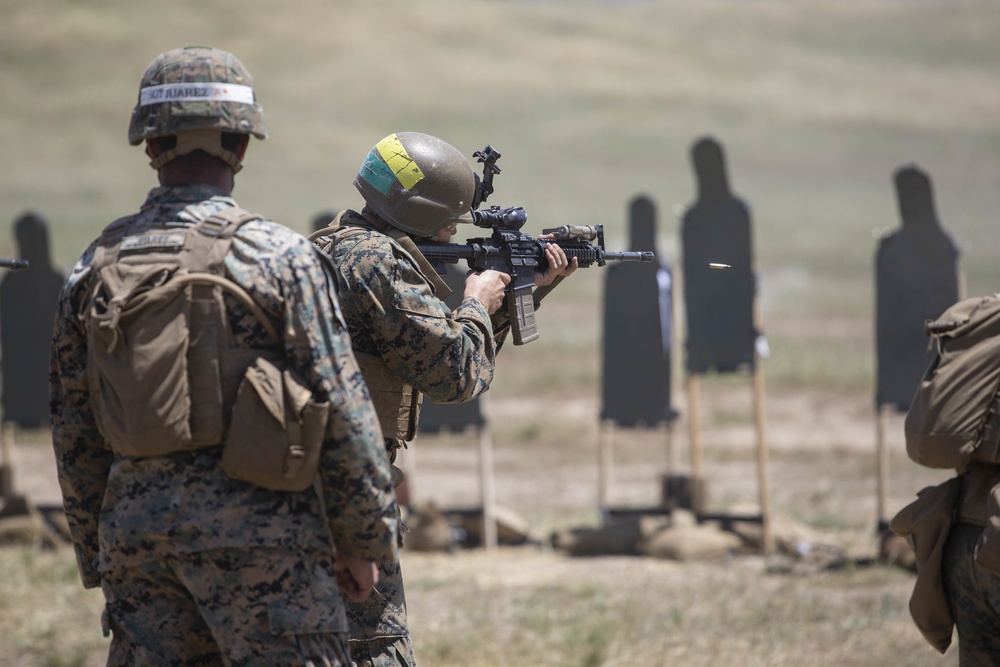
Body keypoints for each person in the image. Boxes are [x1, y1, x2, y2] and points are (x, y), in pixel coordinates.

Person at [49, 45, 397, 666]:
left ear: (151, 147)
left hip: (137, 542)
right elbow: (343, 407)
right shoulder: (280, 256)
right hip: (267, 546)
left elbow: (75, 429)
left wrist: (100, 555)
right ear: (241, 146)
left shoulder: (94, 266)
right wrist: (363, 541)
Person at [312, 131, 577, 666]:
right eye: (451, 218)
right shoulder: (380, 264)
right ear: (420, 210)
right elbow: (455, 375)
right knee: (374, 649)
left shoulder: (329, 242)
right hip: (344, 488)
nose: (455, 229)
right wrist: (478, 301)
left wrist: (527, 287)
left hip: (312, 474)